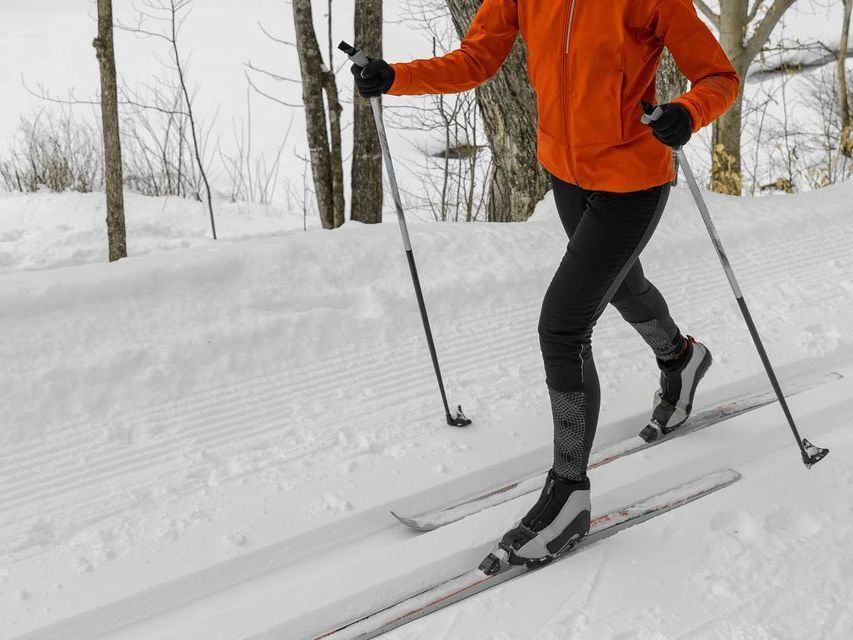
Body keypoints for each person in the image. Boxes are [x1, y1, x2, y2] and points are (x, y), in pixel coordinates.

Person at [351, 0, 739, 569]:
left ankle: (569, 493)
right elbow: (476, 60)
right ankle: (680, 358)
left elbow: (718, 77)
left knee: (562, 326)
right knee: (621, 286)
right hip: (565, 173)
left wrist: (687, 111)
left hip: (632, 182)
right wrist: (396, 77)